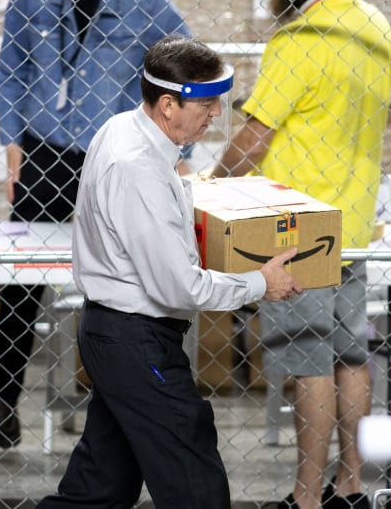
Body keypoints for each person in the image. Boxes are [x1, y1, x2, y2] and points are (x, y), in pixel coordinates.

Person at [0, 0, 191, 461]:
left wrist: (178, 155)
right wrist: (11, 139)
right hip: (43, 156)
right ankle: (2, 412)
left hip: (113, 164)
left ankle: (124, 412)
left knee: (119, 284)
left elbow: (184, 73)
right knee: (20, 287)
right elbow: (12, 65)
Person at [36, 35, 304, 509]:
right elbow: (178, 284)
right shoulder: (138, 166)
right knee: (193, 479)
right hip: (136, 341)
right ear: (166, 105)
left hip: (114, 334)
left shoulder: (124, 128)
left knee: (98, 490)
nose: (216, 113)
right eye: (206, 103)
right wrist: (263, 283)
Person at [213, 0, 391, 509]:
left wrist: (209, 189)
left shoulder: (299, 39)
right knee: (350, 357)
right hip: (354, 220)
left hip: (296, 225)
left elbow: (254, 138)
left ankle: (306, 498)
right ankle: (350, 488)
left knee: (307, 364)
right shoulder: (374, 25)